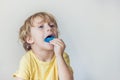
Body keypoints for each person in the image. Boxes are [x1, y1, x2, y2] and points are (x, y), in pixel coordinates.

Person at [13, 12, 74, 80]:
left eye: (52, 25)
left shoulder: (62, 56)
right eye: (41, 26)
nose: (49, 28)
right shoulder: (28, 60)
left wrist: (59, 56)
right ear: (30, 38)